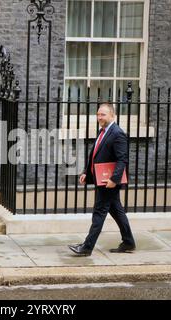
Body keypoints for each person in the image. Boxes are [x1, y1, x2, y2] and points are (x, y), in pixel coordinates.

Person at [68, 103, 136, 256]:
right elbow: (95, 154)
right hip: (101, 179)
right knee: (117, 211)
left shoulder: (117, 133)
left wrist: (114, 179)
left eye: (103, 114)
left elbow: (122, 159)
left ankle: (87, 247)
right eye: (98, 114)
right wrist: (87, 172)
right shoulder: (104, 131)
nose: (99, 117)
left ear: (112, 115)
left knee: (99, 213)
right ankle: (128, 242)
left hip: (108, 182)